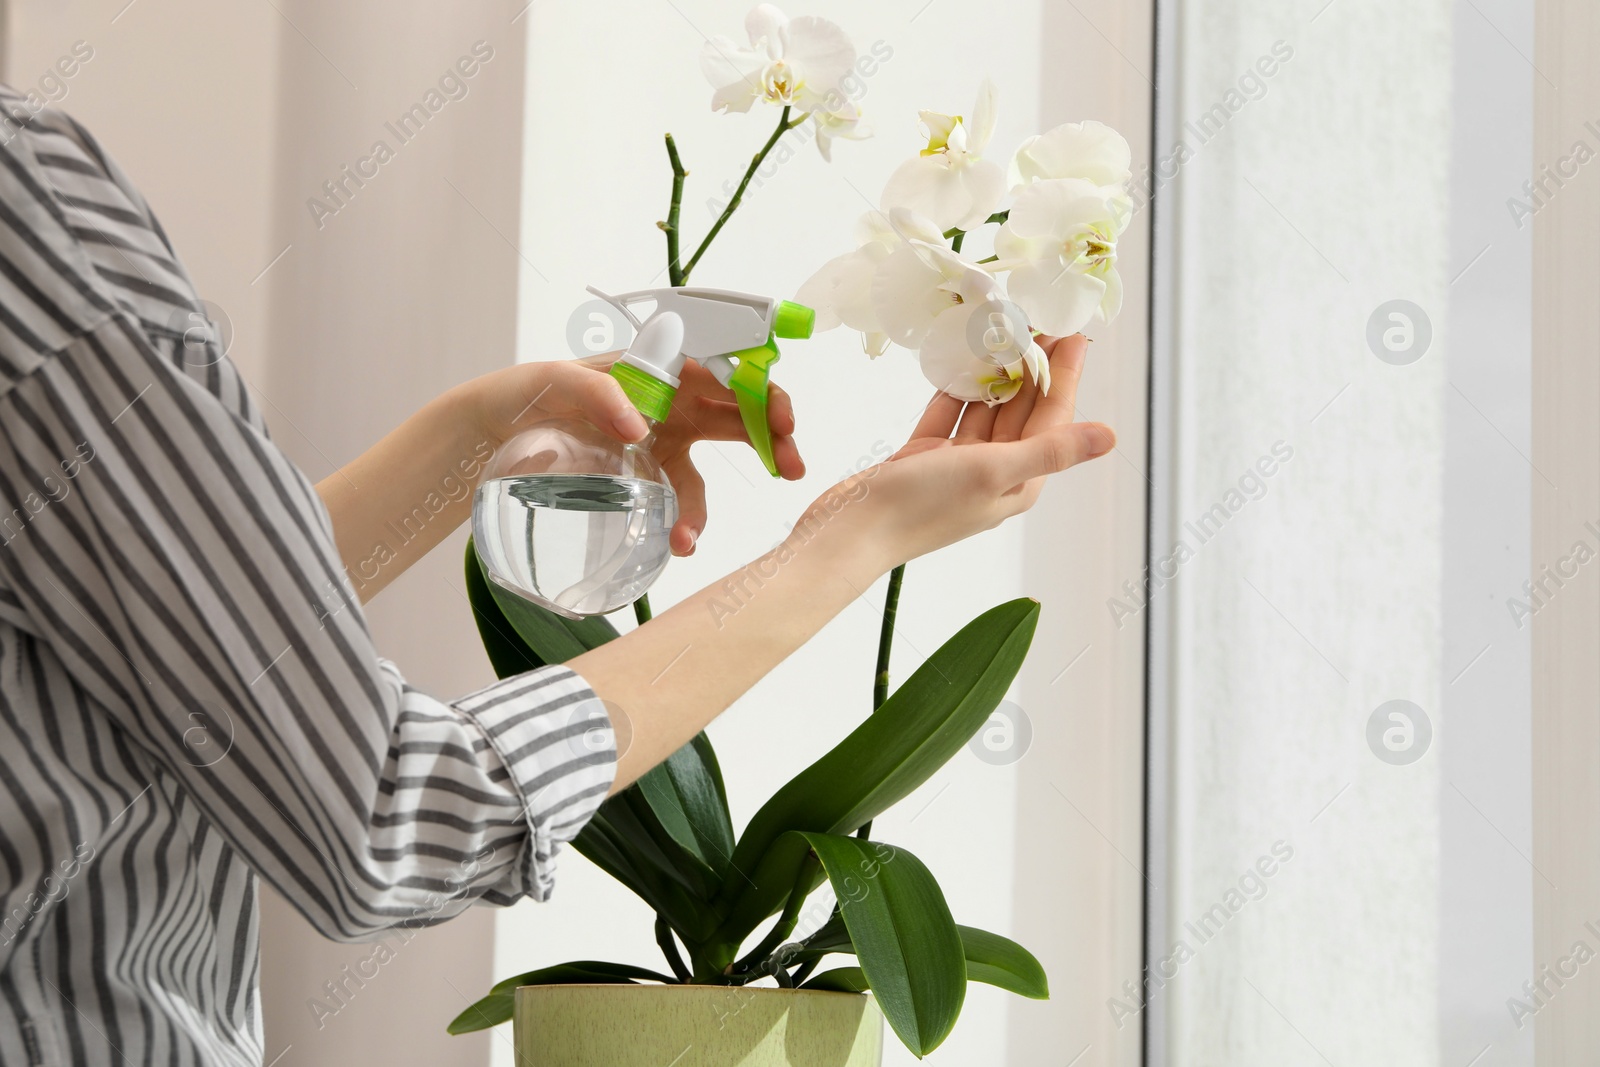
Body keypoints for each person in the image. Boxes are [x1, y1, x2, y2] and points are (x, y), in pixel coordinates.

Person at [0, 84, 1115, 1065]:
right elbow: (385, 820)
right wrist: (845, 541)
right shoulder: (27, 206)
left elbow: (175, 641)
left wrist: (486, 431)